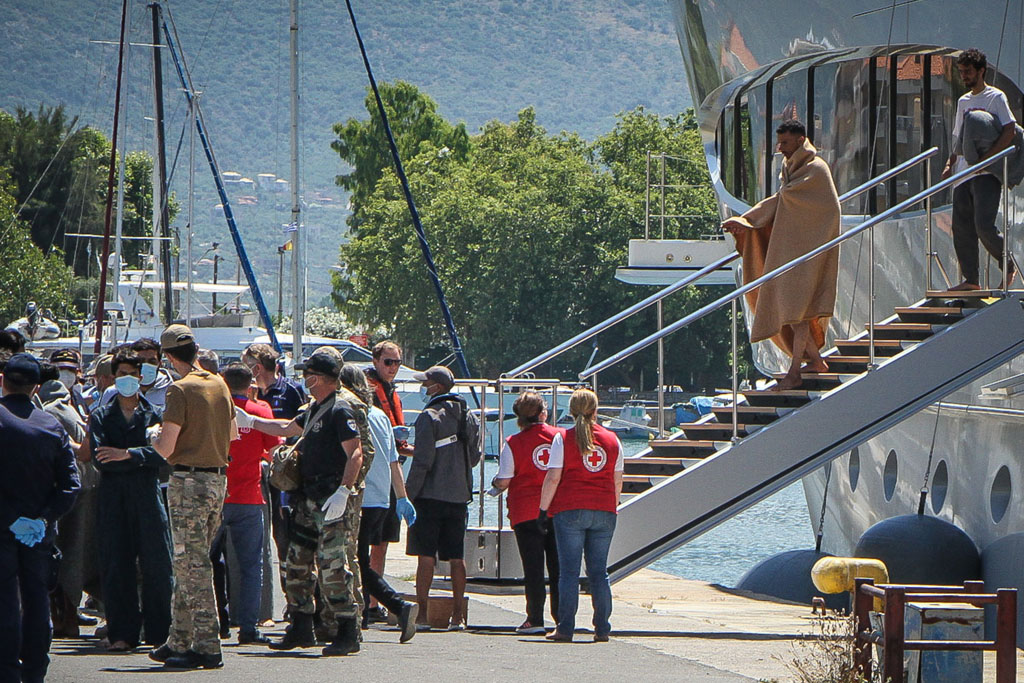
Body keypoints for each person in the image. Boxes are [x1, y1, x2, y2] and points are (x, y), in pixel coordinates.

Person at [241, 351, 365, 656]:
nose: (304, 380)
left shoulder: (340, 410)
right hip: (307, 498)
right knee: (297, 562)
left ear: (320, 378)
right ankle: (300, 625)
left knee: (333, 566)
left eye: (308, 374)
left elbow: (356, 454)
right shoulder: (315, 409)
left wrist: (343, 492)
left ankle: (348, 629)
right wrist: (252, 421)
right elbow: (286, 429)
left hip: (331, 498)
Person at [722, 118, 841, 390]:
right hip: (796, 249)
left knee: (798, 311)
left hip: (812, 250)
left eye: (785, 143)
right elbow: (784, 200)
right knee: (796, 310)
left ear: (800, 140)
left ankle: (795, 372)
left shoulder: (815, 169)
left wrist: (748, 219)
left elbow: (791, 201)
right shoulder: (793, 168)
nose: (781, 148)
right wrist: (747, 223)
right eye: (779, 142)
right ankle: (815, 361)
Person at [149, 324, 237, 670]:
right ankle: (179, 637)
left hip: (188, 481)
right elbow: (232, 433)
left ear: (170, 357)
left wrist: (154, 435)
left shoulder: (178, 390)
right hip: (217, 481)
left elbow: (166, 447)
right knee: (192, 560)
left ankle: (206, 643)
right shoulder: (219, 383)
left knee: (192, 564)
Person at [0, 353, 81, 682]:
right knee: (37, 601)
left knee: (4, 603)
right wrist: (43, 518)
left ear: (3, 380)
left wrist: (10, 518)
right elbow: (70, 485)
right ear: (36, 387)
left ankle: (6, 672)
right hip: (37, 530)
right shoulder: (51, 425)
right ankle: (35, 671)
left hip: (3, 528)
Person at [89, 349, 173, 652]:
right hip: (112, 496)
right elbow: (101, 459)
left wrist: (128, 454)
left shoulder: (153, 414)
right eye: (121, 373)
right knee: (116, 564)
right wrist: (140, 457)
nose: (127, 379)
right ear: (114, 377)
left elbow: (164, 453)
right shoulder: (100, 415)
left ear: (141, 377)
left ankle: (160, 633)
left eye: (132, 374)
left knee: (159, 563)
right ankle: (122, 632)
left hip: (148, 495)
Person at [339, 363, 418, 642]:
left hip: (357, 495)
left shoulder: (345, 411)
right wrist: (401, 497)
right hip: (380, 498)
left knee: (355, 560)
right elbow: (393, 459)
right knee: (359, 557)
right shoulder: (381, 416)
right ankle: (362, 614)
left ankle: (394, 604)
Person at [538, 388, 623, 643]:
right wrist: (612, 504)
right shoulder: (613, 440)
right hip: (605, 510)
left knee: (569, 572)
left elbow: (553, 477)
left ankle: (566, 627)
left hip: (570, 509)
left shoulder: (563, 438)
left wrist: (543, 510)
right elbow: (617, 480)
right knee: (599, 572)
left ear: (572, 410)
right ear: (596, 410)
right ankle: (602, 628)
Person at [210, 362, 281, 645]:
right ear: (250, 384)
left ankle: (217, 621)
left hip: (217, 495)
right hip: (250, 497)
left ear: (224, 384)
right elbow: (275, 452)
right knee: (252, 565)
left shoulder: (215, 410)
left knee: (206, 561)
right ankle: (249, 628)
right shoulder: (261, 411)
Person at [406, 365, 480, 631]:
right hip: (459, 496)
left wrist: (407, 494)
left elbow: (423, 461)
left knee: (426, 556)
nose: (424, 388)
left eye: (426, 383)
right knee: (456, 557)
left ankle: (423, 614)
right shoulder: (468, 415)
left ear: (435, 387)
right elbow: (474, 456)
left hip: (429, 495)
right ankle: (458, 616)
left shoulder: (428, 416)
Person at [941, 48, 1019, 291]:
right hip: (963, 173)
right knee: (962, 227)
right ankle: (971, 280)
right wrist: (948, 164)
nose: (964, 76)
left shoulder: (996, 97)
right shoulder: (964, 101)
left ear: (981, 71)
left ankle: (1007, 263)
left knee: (983, 224)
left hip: (986, 174)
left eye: (968, 72)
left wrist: (987, 158)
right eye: (962, 72)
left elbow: (1010, 130)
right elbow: (957, 139)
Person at [37, 359, 98, 639]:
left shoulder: (48, 411)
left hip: (60, 490)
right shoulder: (72, 406)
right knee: (74, 552)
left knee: (58, 553)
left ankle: (61, 617)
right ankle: (68, 615)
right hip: (83, 486)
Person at [492, 390, 561, 635]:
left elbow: (504, 479)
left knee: (533, 568)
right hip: (556, 510)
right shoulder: (560, 437)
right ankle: (562, 618)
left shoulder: (513, 443)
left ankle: (535, 618)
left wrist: (494, 486)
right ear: (543, 412)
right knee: (558, 567)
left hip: (525, 512)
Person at [242, 342, 306, 600]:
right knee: (255, 541)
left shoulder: (291, 391)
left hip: (284, 476)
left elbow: (302, 429)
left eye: (247, 366)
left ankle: (294, 599)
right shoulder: (245, 393)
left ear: (257, 368)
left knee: (285, 539)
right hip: (252, 474)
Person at [363, 340, 412, 622]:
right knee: (364, 545)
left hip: (391, 475)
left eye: (396, 363)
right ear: (376, 361)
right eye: (388, 362)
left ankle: (372, 603)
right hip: (373, 480)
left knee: (381, 544)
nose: (393, 368)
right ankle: (363, 603)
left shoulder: (391, 392)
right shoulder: (368, 390)